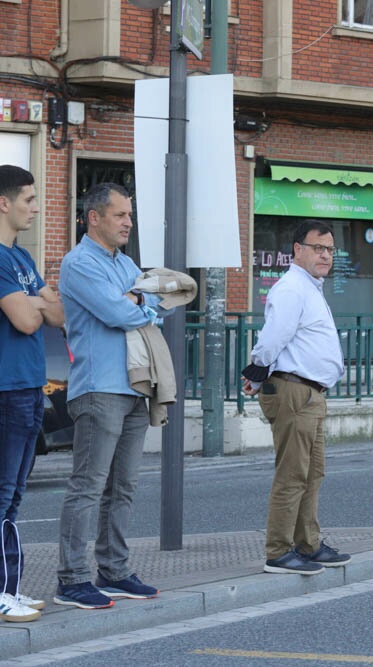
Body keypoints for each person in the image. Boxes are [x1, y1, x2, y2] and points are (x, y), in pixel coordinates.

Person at [55, 183, 165, 610]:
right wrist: (140, 302)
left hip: (134, 388)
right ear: (94, 217)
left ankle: (114, 571)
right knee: (87, 486)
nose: (128, 223)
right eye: (120, 215)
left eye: (130, 216)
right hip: (99, 387)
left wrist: (139, 299)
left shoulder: (125, 263)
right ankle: (72, 578)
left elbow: (160, 299)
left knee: (124, 488)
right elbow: (118, 312)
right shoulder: (79, 263)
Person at [242, 220, 351, 575]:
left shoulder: (309, 287)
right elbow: (275, 335)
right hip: (294, 389)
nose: (325, 255)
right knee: (293, 473)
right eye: (318, 248)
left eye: (330, 249)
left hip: (310, 392)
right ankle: (278, 551)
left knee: (313, 473)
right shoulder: (292, 288)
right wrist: (257, 368)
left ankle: (309, 544)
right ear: (297, 250)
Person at [0, 165, 65, 622]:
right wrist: (37, 304)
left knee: (15, 496)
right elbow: (26, 321)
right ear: (3, 202)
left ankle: (9, 588)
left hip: (27, 389)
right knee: (2, 496)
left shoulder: (20, 258)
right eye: (29, 199)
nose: (36, 207)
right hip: (5, 392)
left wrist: (37, 302)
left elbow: (57, 314)